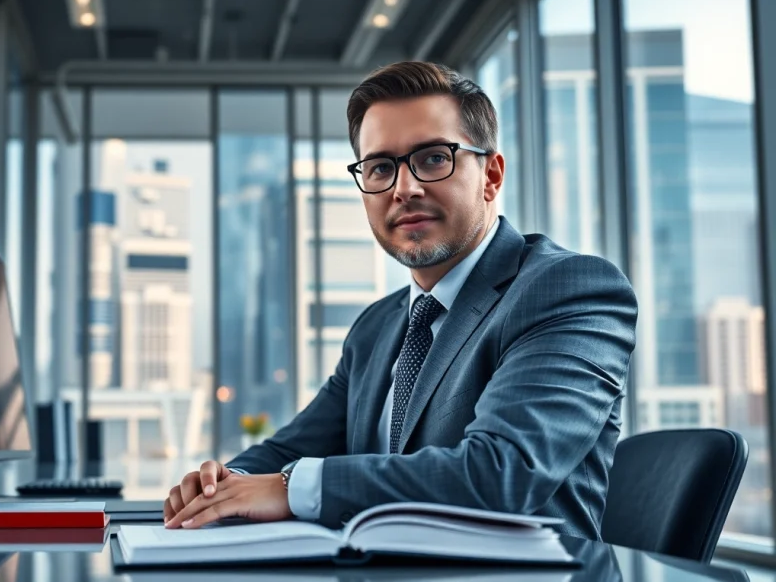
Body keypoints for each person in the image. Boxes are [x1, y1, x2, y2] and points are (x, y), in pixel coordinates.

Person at [163, 61, 638, 541]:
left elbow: (503, 473)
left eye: (433, 158)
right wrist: (224, 484)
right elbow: (291, 450)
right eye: (380, 168)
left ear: (491, 175)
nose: (403, 189)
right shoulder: (378, 325)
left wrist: (291, 487)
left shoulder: (570, 290)